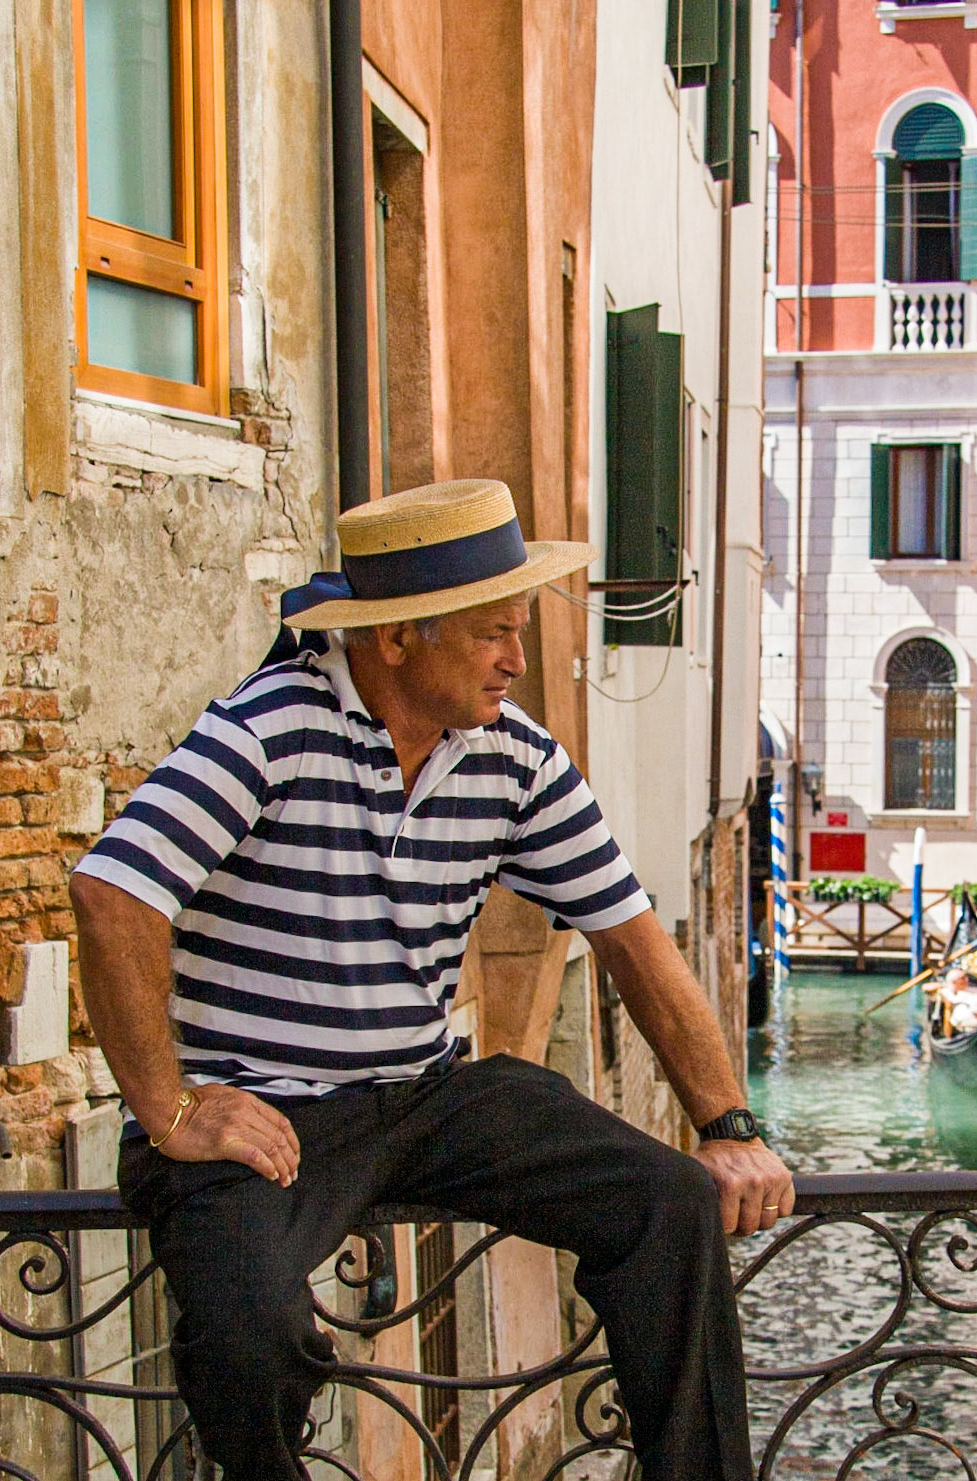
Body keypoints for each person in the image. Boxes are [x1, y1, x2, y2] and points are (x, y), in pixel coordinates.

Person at [69, 479, 794, 1481]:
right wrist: (172, 1106)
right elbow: (112, 892)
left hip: (426, 1098)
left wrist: (726, 1124)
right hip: (261, 1113)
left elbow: (631, 939)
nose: (517, 658)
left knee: (665, 1201)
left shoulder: (517, 758)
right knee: (253, 1337)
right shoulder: (266, 729)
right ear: (399, 636)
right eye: (494, 632)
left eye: (519, 629)